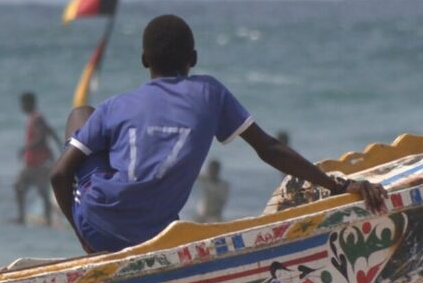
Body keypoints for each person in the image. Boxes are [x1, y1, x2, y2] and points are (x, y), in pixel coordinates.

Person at [50, 14, 387, 253]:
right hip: (157, 235)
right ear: (194, 58)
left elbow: (59, 175)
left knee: (82, 114)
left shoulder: (116, 105)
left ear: (143, 60)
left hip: (99, 228)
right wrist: (339, 185)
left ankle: (96, 216)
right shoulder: (210, 94)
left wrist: (83, 235)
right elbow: (268, 148)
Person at [14, 92, 60, 225]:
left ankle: (41, 219)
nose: (21, 107)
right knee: (25, 188)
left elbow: (40, 137)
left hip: (38, 162)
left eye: (23, 104)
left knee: (27, 187)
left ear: (29, 104)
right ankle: (43, 219)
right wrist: (61, 146)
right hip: (36, 161)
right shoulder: (35, 118)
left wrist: (25, 148)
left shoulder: (36, 118)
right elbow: (50, 131)